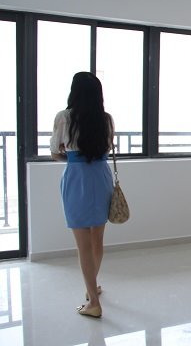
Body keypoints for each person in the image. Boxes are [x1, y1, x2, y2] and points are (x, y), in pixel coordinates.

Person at [50, 72, 115, 318]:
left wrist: (70, 154)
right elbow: (106, 147)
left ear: (74, 91)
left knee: (83, 245)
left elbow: (55, 152)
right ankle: (92, 288)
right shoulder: (106, 119)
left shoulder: (64, 117)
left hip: (76, 178)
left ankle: (94, 302)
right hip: (101, 177)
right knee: (97, 240)